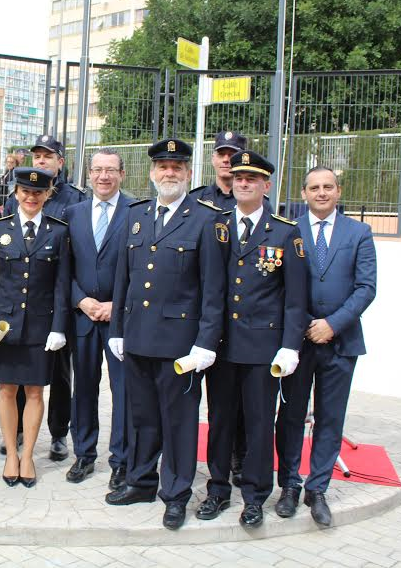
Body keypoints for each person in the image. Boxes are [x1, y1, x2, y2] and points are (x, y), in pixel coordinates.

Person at [104, 139, 226, 531]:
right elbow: (123, 278)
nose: (169, 173)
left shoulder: (205, 219)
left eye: (176, 166)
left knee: (178, 424)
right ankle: (141, 481)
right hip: (138, 338)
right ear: (152, 172)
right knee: (142, 418)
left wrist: (206, 342)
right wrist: (117, 331)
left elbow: (213, 289)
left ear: (188, 173)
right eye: (162, 166)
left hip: (179, 345)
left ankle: (175, 495)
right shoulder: (136, 215)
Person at [196, 150, 308, 529]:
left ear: (266, 185)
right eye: (239, 177)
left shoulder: (284, 231)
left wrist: (290, 345)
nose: (243, 183)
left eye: (252, 179)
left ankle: (255, 496)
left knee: (260, 424)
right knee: (220, 421)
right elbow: (211, 290)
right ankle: (217, 489)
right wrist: (205, 341)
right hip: (223, 347)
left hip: (263, 349)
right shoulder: (218, 226)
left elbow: (295, 299)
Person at [274, 166, 377, 526]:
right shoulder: (288, 231)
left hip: (340, 341)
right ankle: (288, 484)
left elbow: (366, 288)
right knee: (290, 417)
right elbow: (279, 287)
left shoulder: (359, 232)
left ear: (338, 191)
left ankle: (317, 488)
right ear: (303, 193)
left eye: (328, 187)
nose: (321, 193)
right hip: (297, 342)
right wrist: (304, 325)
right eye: (314, 187)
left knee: (330, 419)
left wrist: (333, 324)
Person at [0, 167, 71, 487]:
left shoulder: (58, 232)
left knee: (34, 392)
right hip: (5, 326)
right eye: (25, 191)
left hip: (40, 327)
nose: (31, 197)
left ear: (48, 194)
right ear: (16, 193)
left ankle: (28, 454)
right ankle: (10, 455)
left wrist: (59, 327)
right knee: (7, 390)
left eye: (38, 192)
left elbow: (62, 286)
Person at [2, 135, 86, 461]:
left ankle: (58, 433)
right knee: (20, 370)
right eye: (36, 155)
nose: (40, 161)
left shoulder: (74, 200)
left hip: (56, 298)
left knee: (60, 373)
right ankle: (20, 429)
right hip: (23, 297)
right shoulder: (16, 196)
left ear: (60, 163)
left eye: (47, 156)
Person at [61, 148, 131, 491]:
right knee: (84, 387)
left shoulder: (136, 212)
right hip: (83, 316)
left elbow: (142, 267)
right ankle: (84, 453)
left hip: (121, 319)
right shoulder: (72, 213)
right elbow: (64, 266)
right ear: (89, 174)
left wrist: (116, 304)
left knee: (123, 391)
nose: (104, 176)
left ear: (122, 174)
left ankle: (121, 459)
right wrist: (81, 299)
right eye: (98, 170)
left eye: (111, 170)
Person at [190, 130, 248, 484]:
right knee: (211, 400)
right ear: (213, 158)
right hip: (203, 315)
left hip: (243, 318)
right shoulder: (198, 202)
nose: (227, 160)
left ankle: (240, 457)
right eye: (222, 154)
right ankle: (216, 466)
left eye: (234, 154)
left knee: (241, 399)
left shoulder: (254, 199)